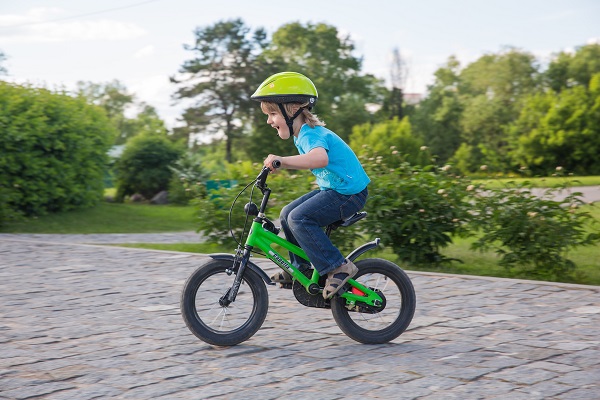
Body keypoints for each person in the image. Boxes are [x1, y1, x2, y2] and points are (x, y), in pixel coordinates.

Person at [250, 72, 370, 299]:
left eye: (273, 113)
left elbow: (319, 159)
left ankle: (338, 266)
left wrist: (282, 161)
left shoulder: (309, 134)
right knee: (287, 214)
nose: (269, 121)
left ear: (293, 109)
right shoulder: (301, 135)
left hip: (349, 193)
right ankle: (301, 269)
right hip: (337, 190)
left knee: (299, 218)